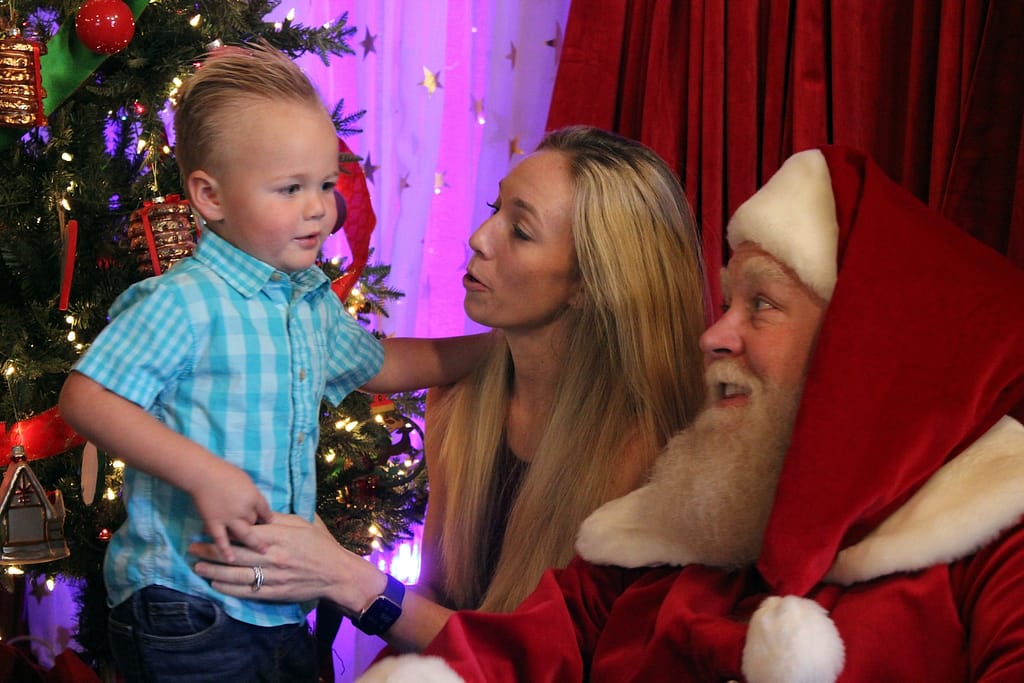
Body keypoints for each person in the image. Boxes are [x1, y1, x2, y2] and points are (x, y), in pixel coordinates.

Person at [352, 145, 1024, 682]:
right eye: (727, 300)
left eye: (758, 305)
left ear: (857, 337)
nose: (716, 334)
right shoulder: (679, 522)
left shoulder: (994, 542)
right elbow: (520, 651)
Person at [58, 42, 491, 683]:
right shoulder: (183, 302)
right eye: (290, 188)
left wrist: (500, 346)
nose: (318, 207)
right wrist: (205, 474)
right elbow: (87, 398)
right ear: (210, 196)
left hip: (278, 600)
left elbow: (382, 365)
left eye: (323, 184)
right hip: (186, 599)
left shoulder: (307, 299)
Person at [189, 126, 711, 652]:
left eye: (521, 231)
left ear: (590, 283)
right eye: (495, 208)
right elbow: (444, 592)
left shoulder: (643, 453)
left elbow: (547, 660)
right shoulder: (463, 399)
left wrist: (349, 579)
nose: (480, 237)